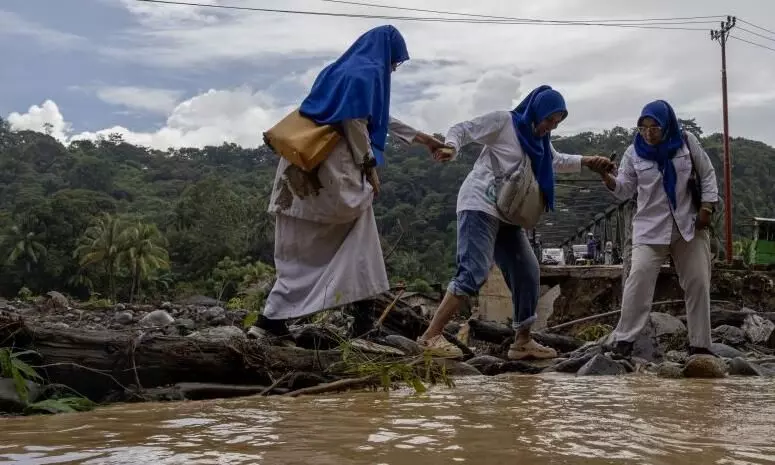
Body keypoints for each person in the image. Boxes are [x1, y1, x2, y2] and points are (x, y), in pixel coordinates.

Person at [256, 25, 445, 339]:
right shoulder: (367, 72)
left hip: (300, 170)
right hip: (332, 170)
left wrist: (423, 139)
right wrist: (370, 168)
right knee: (361, 237)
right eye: (395, 62)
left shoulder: (338, 71)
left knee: (299, 249)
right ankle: (361, 320)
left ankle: (272, 320)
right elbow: (356, 121)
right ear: (387, 54)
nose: (394, 68)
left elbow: (374, 115)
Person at [417, 85, 614, 358]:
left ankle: (522, 341)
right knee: (473, 271)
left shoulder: (540, 140)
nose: (550, 127)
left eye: (556, 123)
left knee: (527, 271)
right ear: (536, 111)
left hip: (507, 212)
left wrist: (588, 161)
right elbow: (462, 129)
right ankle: (431, 335)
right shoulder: (504, 121)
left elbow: (554, 161)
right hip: (480, 204)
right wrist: (451, 147)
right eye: (548, 120)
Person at [599, 100, 719, 358]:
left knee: (698, 280)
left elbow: (707, 174)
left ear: (667, 125)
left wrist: (707, 208)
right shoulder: (634, 153)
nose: (649, 133)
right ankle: (624, 340)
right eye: (643, 127)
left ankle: (700, 345)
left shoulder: (686, 142)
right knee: (638, 278)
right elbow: (625, 190)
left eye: (654, 127)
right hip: (650, 228)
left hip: (689, 224)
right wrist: (607, 178)